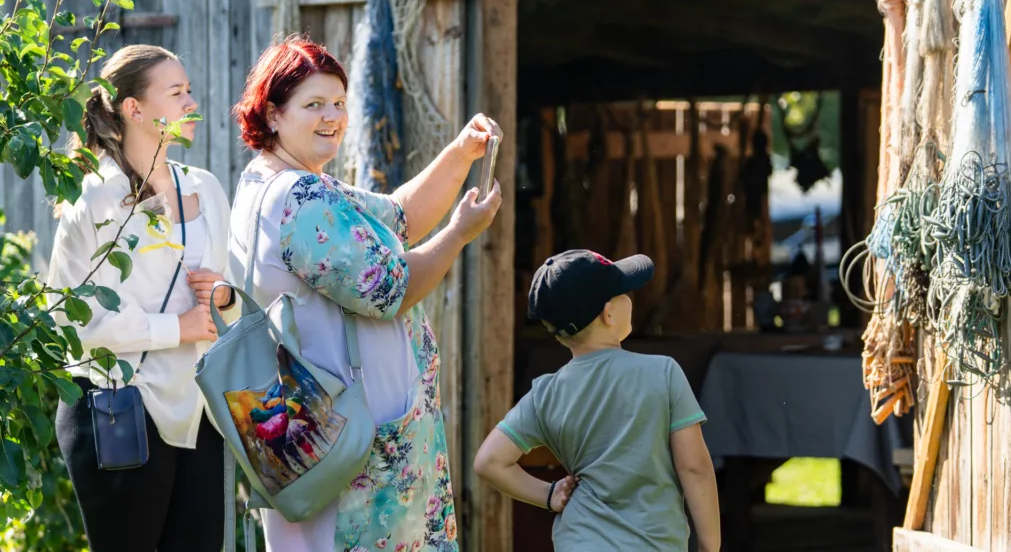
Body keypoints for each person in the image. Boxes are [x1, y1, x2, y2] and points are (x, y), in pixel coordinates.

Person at [228, 36, 501, 552]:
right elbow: (392, 289)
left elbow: (400, 214)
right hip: (353, 449)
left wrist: (461, 152)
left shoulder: (282, 182)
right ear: (273, 113)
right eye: (313, 104)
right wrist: (461, 233)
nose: (332, 116)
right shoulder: (298, 196)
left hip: (327, 435)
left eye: (338, 103)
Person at [48, 44, 237, 551]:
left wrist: (223, 299)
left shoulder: (208, 189)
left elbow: (234, 301)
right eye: (176, 93)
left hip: (201, 414)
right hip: (119, 409)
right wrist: (177, 329)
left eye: (189, 90)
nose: (191, 102)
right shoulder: (91, 197)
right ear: (134, 109)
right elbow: (70, 318)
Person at [474, 250, 721, 552]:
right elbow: (694, 467)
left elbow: (489, 462)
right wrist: (710, 545)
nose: (631, 297)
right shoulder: (663, 373)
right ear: (609, 313)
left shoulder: (545, 393)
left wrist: (548, 494)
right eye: (624, 292)